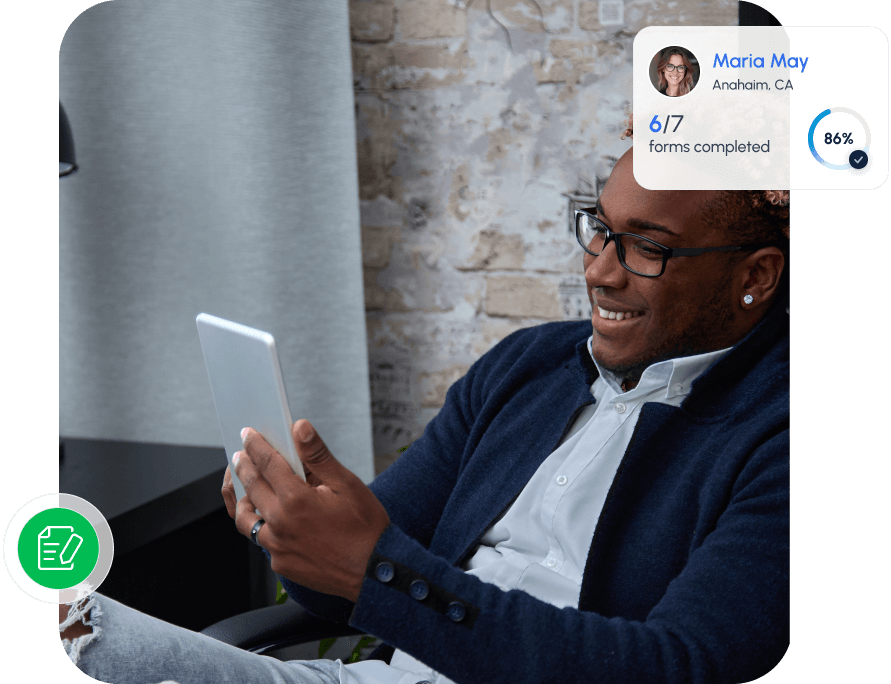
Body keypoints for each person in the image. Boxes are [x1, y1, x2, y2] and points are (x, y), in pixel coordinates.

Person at [60, 116, 789, 684]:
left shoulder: (770, 434)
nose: (599, 271)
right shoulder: (527, 367)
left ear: (754, 274)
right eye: (599, 228)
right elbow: (335, 589)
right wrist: (292, 531)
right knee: (63, 612)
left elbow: (676, 669)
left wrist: (377, 569)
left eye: (646, 247)